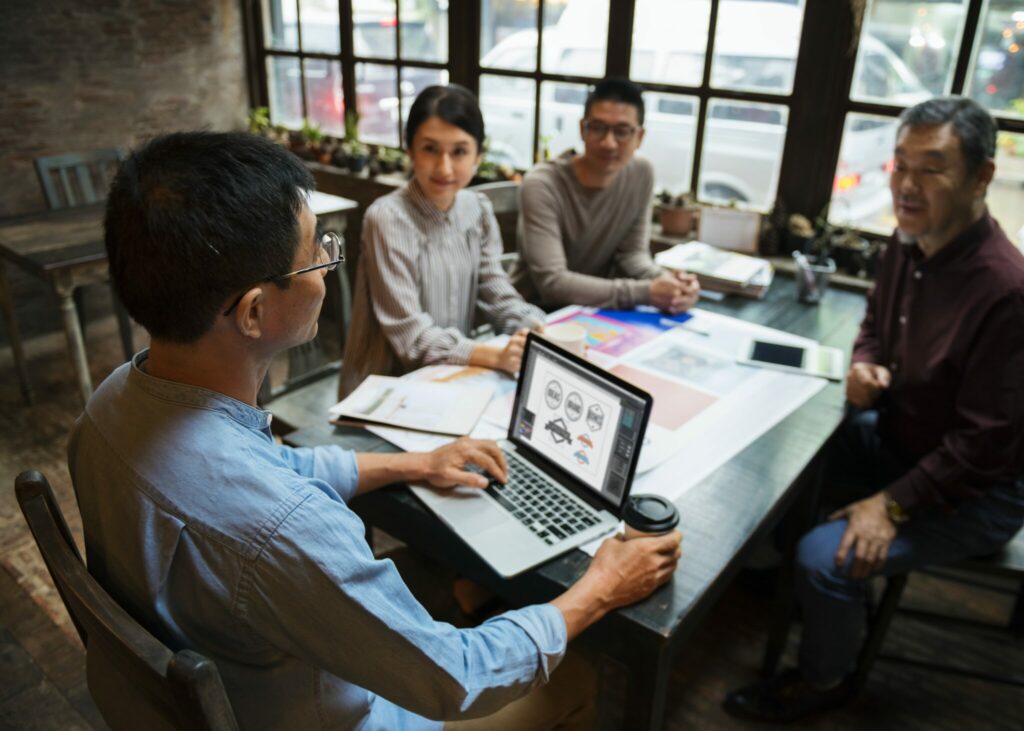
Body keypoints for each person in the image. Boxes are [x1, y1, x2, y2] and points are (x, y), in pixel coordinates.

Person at [70, 130, 682, 730]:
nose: (327, 268)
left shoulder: (111, 403)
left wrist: (413, 463)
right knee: (579, 679)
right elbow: (459, 678)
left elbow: (270, 469)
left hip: (219, 686)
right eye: (317, 253)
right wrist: (602, 587)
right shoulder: (286, 531)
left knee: (453, 587)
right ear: (254, 311)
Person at [724, 97, 1024, 721]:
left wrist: (890, 505)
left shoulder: (1006, 290)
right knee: (785, 436)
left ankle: (825, 678)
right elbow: (873, 328)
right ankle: (777, 577)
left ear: (982, 176)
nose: (908, 186)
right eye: (900, 165)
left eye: (933, 168)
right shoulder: (906, 243)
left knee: (823, 560)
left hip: (976, 491)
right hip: (904, 439)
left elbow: (984, 445)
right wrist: (865, 362)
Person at [340, 84, 545, 398]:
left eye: (460, 151)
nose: (444, 167)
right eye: (430, 149)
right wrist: (493, 356)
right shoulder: (387, 218)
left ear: (478, 154)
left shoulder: (477, 209)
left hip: (450, 381)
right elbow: (411, 335)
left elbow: (496, 292)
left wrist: (535, 328)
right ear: (409, 149)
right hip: (384, 391)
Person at [510, 78, 699, 313]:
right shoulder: (542, 183)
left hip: (598, 311)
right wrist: (647, 292)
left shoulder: (641, 174)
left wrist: (671, 284)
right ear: (582, 129)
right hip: (536, 314)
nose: (608, 143)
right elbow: (552, 283)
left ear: (639, 137)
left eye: (622, 132)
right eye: (598, 128)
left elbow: (633, 255)